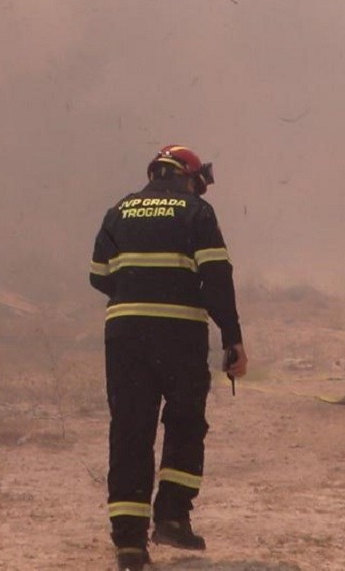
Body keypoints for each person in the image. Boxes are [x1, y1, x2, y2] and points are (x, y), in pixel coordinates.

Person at [89, 144, 248, 571]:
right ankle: (173, 517)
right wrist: (232, 337)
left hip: (124, 338)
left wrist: (138, 294)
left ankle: (129, 545)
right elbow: (217, 277)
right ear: (189, 177)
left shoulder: (118, 210)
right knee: (184, 422)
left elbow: (99, 276)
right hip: (180, 336)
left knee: (130, 431)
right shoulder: (196, 211)